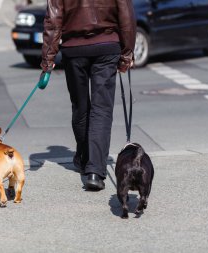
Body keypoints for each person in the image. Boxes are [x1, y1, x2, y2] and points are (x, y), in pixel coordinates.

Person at [41, 0, 136, 191]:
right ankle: (95, 171)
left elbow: (53, 19)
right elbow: (126, 15)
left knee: (80, 106)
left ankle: (84, 159)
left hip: (74, 49)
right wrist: (126, 54)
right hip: (107, 46)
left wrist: (48, 58)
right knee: (101, 110)